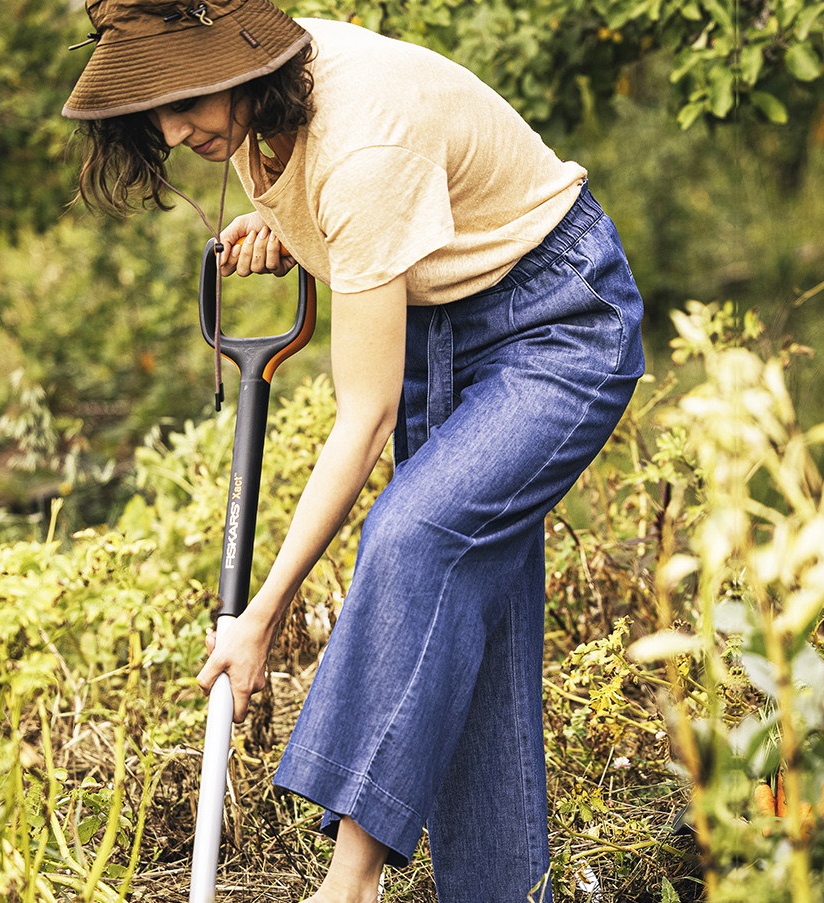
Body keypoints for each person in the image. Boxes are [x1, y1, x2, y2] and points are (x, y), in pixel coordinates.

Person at [63, 2, 645, 900]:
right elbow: (341, 203)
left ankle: (350, 882)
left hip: (557, 328)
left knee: (412, 539)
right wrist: (293, 228)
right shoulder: (260, 107)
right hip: (441, 329)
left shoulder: (364, 138)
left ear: (238, 63)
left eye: (184, 100)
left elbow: (364, 415)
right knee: (466, 625)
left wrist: (261, 614)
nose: (175, 131)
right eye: (156, 111)